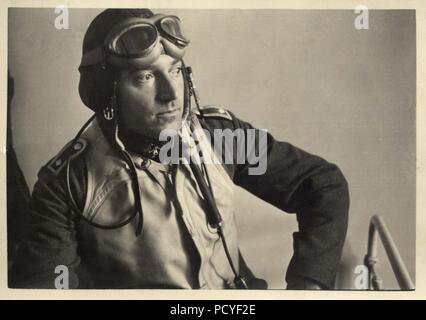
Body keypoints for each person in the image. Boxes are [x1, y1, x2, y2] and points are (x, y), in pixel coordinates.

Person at [10, 8, 349, 289]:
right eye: (145, 77)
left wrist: (310, 285)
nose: (171, 95)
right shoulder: (68, 183)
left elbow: (322, 185)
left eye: (175, 71)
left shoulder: (219, 139)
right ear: (105, 92)